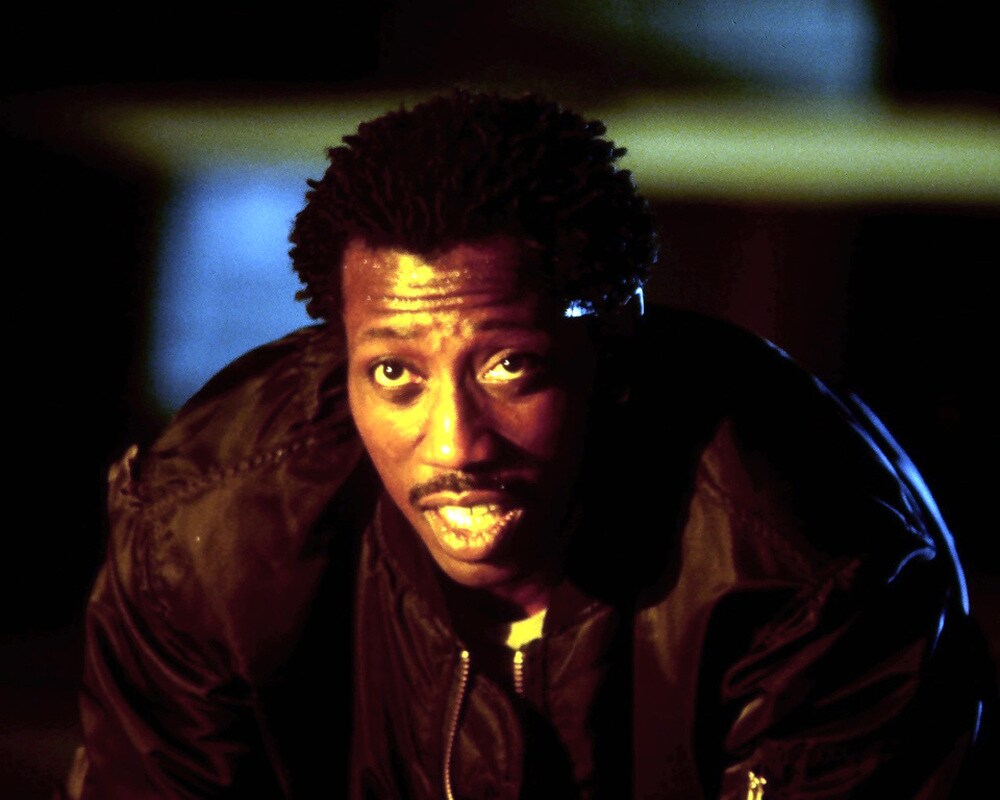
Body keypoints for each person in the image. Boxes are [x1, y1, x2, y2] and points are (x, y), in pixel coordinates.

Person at [66, 90, 994, 798]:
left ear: (611, 350)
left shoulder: (804, 563)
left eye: (509, 366)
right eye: (393, 373)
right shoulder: (208, 535)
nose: (456, 445)